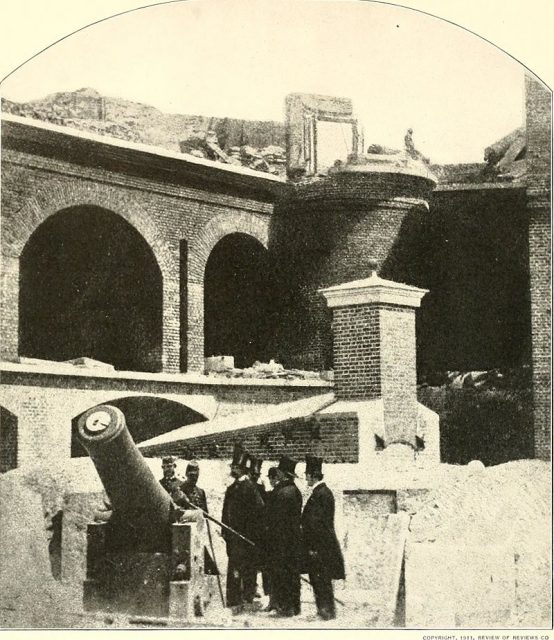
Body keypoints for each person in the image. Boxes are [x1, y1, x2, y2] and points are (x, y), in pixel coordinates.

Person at [301, 454, 345, 621]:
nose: (306, 478)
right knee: (319, 579)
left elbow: (317, 526)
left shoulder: (321, 494)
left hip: (320, 547)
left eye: (307, 475)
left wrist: (313, 548)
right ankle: (323, 610)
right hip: (320, 546)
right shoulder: (321, 493)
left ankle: (326, 612)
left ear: (313, 475)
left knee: (321, 580)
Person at [221, 446, 265, 614]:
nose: (233, 469)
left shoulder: (250, 488)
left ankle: (247, 598)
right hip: (233, 538)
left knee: (247, 568)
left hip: (246, 539)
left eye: (235, 467)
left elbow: (259, 513)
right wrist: (225, 531)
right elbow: (225, 512)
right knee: (234, 568)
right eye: (232, 466)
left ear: (241, 469)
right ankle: (233, 600)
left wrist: (250, 533)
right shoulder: (231, 489)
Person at [159, 458, 218, 575]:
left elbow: (205, 512)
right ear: (186, 475)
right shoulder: (181, 490)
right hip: (184, 532)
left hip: (199, 532)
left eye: (196, 475)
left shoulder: (201, 492)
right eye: (191, 475)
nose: (194, 478)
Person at [266, 455, 303, 617]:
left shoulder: (282, 493)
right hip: (293, 540)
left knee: (282, 574)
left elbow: (276, 520)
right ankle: (294, 606)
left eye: (279, 472)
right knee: (293, 574)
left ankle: (285, 607)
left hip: (281, 542)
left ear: (283, 474)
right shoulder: (295, 491)